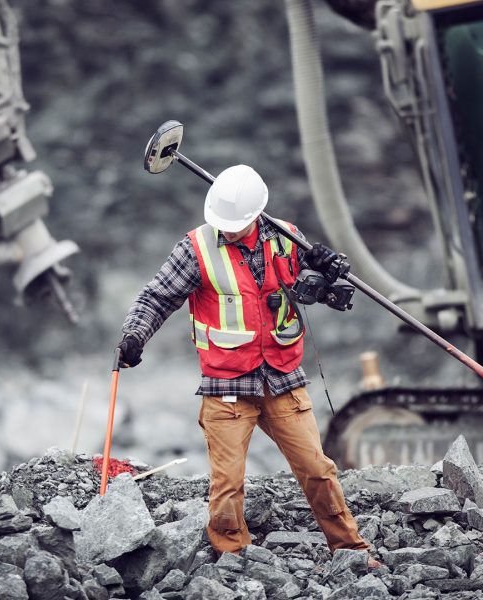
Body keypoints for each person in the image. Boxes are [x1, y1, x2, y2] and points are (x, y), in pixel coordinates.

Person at [118, 164, 378, 565]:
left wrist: (327, 265)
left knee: (317, 469)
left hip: (282, 377)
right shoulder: (195, 248)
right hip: (225, 385)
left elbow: (313, 285)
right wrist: (135, 335)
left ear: (257, 214)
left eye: (236, 224)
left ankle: (351, 549)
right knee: (227, 485)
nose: (228, 230)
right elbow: (155, 298)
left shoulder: (287, 237)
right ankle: (232, 556)